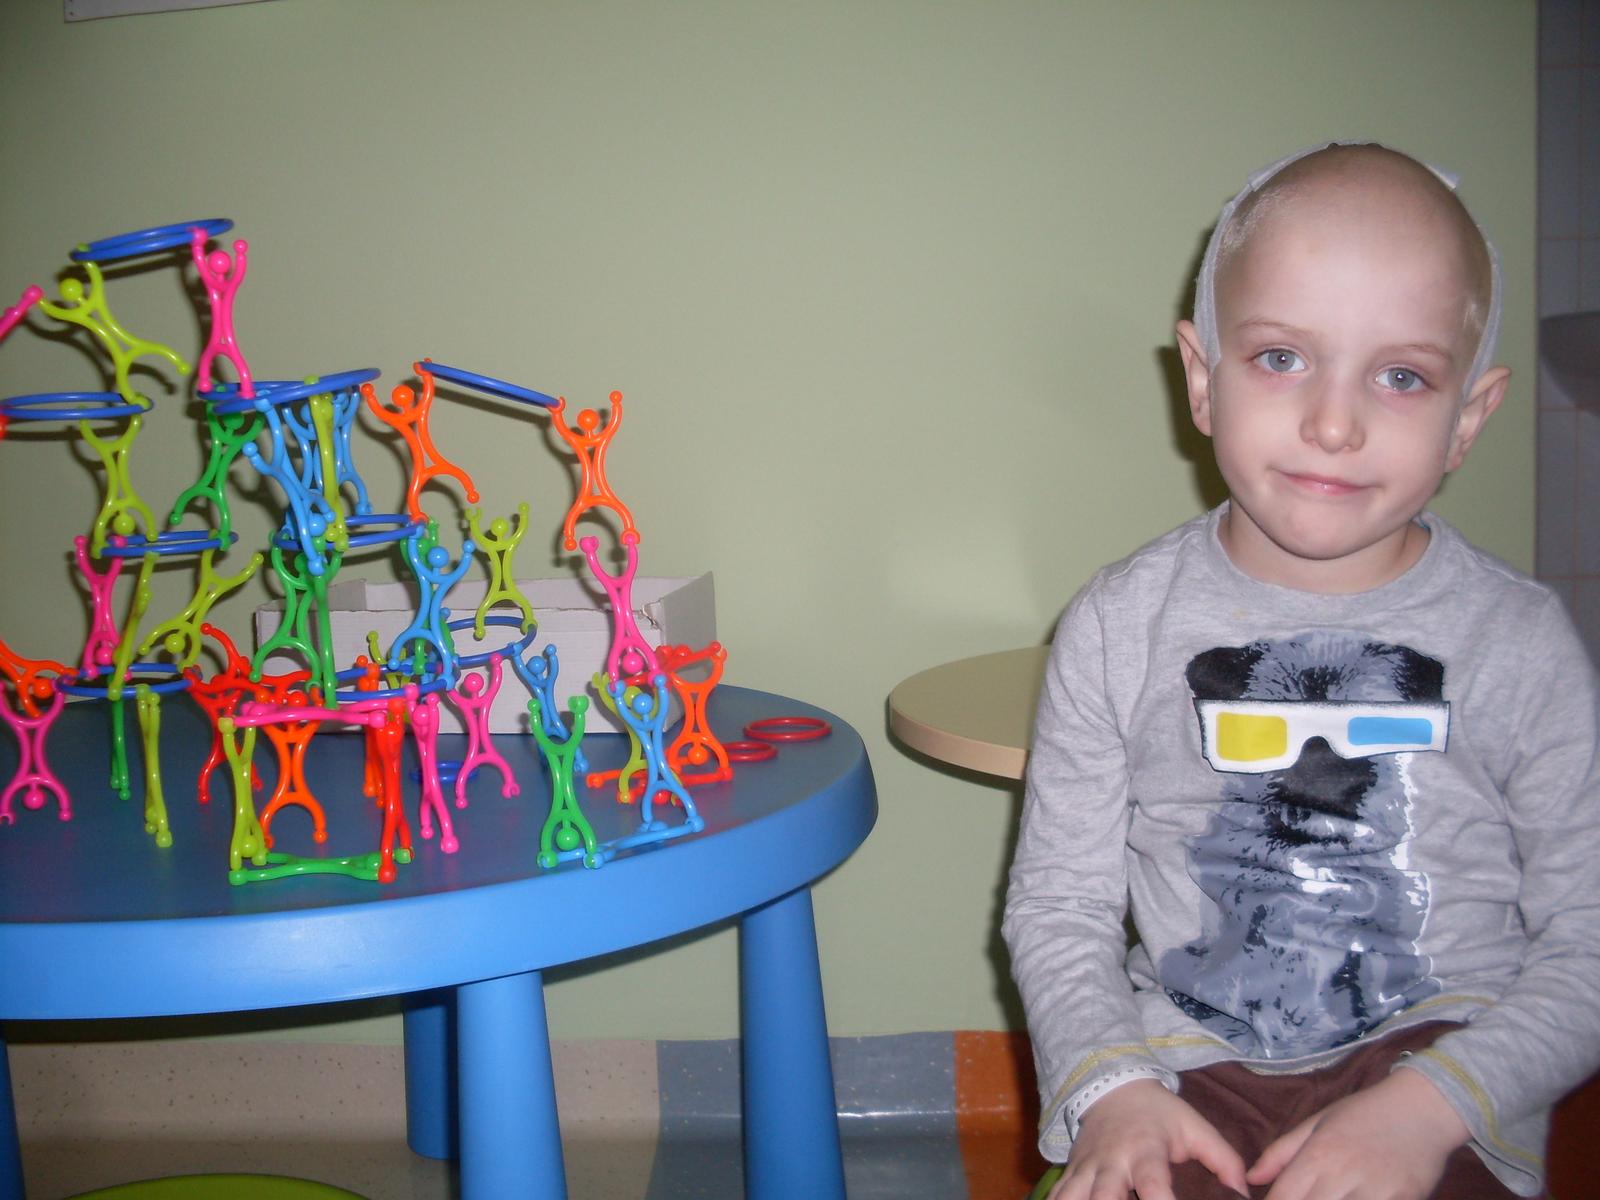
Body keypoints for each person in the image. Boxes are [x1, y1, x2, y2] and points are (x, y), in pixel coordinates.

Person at [1002, 143, 1600, 1200]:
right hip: (1180, 1065)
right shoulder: (1113, 626)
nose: (1333, 422)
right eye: (1282, 358)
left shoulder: (1521, 642)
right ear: (1202, 379)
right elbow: (1059, 904)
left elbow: (1588, 942)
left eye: (1401, 376)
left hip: (1443, 1070)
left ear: (1467, 417)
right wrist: (1111, 1087)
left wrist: (1431, 1109)